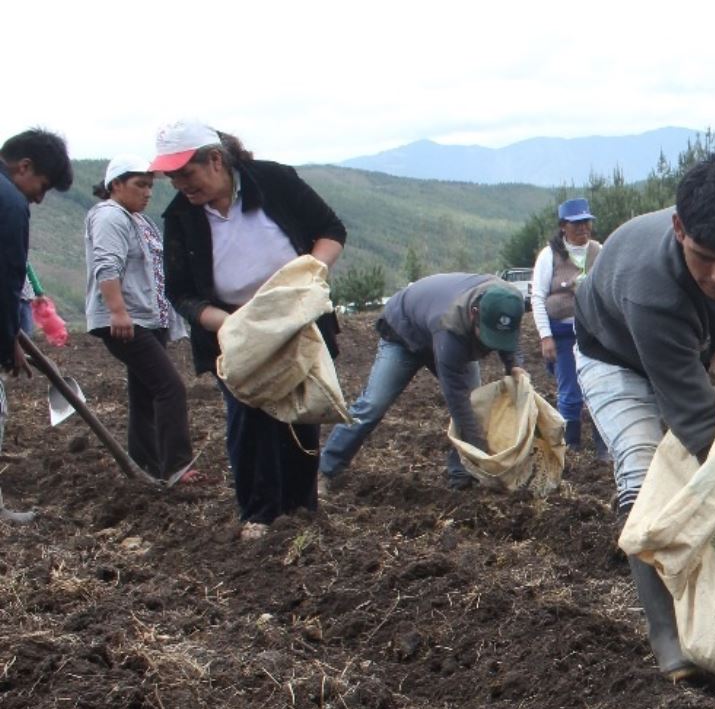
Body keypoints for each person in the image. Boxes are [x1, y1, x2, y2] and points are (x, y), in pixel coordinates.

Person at [572, 153, 715, 681]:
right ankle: (668, 632)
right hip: (615, 353)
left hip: (694, 343)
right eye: (703, 258)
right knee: (648, 471)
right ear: (679, 229)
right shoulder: (648, 285)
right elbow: (697, 425)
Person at [154, 121, 346, 539]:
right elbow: (180, 291)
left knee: (300, 412)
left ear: (216, 160)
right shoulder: (181, 217)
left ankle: (300, 511)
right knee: (249, 417)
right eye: (172, 178)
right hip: (233, 330)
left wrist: (309, 277)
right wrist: (229, 323)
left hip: (297, 320)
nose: (181, 186)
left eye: (187, 174)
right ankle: (258, 516)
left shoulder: (274, 182)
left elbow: (330, 230)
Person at [319, 274, 526, 489]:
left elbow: (509, 335)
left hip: (437, 328)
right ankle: (326, 469)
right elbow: (457, 400)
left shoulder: (508, 302)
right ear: (475, 314)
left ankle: (463, 477)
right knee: (373, 404)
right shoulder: (450, 325)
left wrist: (515, 364)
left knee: (476, 406)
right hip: (403, 333)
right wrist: (479, 449)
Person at [83, 156, 200, 486]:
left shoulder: (137, 219)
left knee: (146, 393)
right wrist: (118, 311)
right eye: (140, 185)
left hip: (148, 318)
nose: (147, 192)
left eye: (150, 185)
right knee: (170, 388)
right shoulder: (109, 216)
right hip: (125, 318)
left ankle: (144, 468)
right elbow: (107, 265)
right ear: (116, 185)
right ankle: (177, 467)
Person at [0, 129, 74, 524]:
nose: (38, 198)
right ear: (24, 166)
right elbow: (7, 277)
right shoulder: (9, 201)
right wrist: (8, 338)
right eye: (41, 186)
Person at [529, 198, 608, 462]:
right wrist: (545, 336)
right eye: (576, 224)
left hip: (595, 333)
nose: (583, 228)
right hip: (562, 333)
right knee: (570, 391)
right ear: (564, 226)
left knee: (598, 386)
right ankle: (572, 446)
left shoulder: (600, 251)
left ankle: (603, 444)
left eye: (586, 222)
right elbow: (538, 297)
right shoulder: (549, 255)